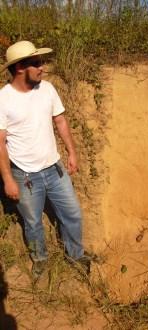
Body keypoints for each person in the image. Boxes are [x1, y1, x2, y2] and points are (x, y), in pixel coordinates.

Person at [0, 40, 90, 278]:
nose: (43, 67)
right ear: (20, 67)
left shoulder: (48, 89)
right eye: (37, 63)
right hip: (25, 175)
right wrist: (8, 179)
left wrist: (72, 152)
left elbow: (60, 121)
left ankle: (76, 255)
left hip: (55, 169)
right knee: (33, 223)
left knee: (72, 213)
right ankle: (40, 259)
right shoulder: (3, 99)